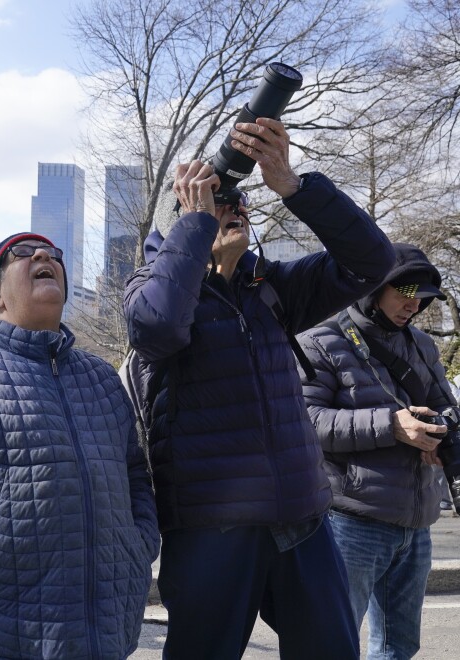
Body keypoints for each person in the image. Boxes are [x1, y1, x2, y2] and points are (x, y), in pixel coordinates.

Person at [123, 117, 396, 659]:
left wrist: (294, 186)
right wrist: (194, 226)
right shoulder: (150, 289)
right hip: (211, 529)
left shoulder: (271, 289)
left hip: (302, 517)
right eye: (216, 202)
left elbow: (374, 263)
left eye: (238, 201)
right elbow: (158, 328)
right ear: (183, 220)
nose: (233, 208)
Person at [0, 233, 159, 659]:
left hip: (108, 630)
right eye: (22, 254)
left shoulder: (102, 379)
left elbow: (135, 477)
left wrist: (137, 546)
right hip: (2, 634)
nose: (43, 255)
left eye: (53, 255)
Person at [297, 243, 453, 659]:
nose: (414, 305)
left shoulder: (421, 344)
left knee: (399, 647)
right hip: (350, 521)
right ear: (373, 289)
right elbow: (305, 423)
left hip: (416, 522)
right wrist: (391, 426)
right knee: (332, 643)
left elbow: (445, 407)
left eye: (423, 297)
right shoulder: (320, 341)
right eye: (405, 293)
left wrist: (443, 436)